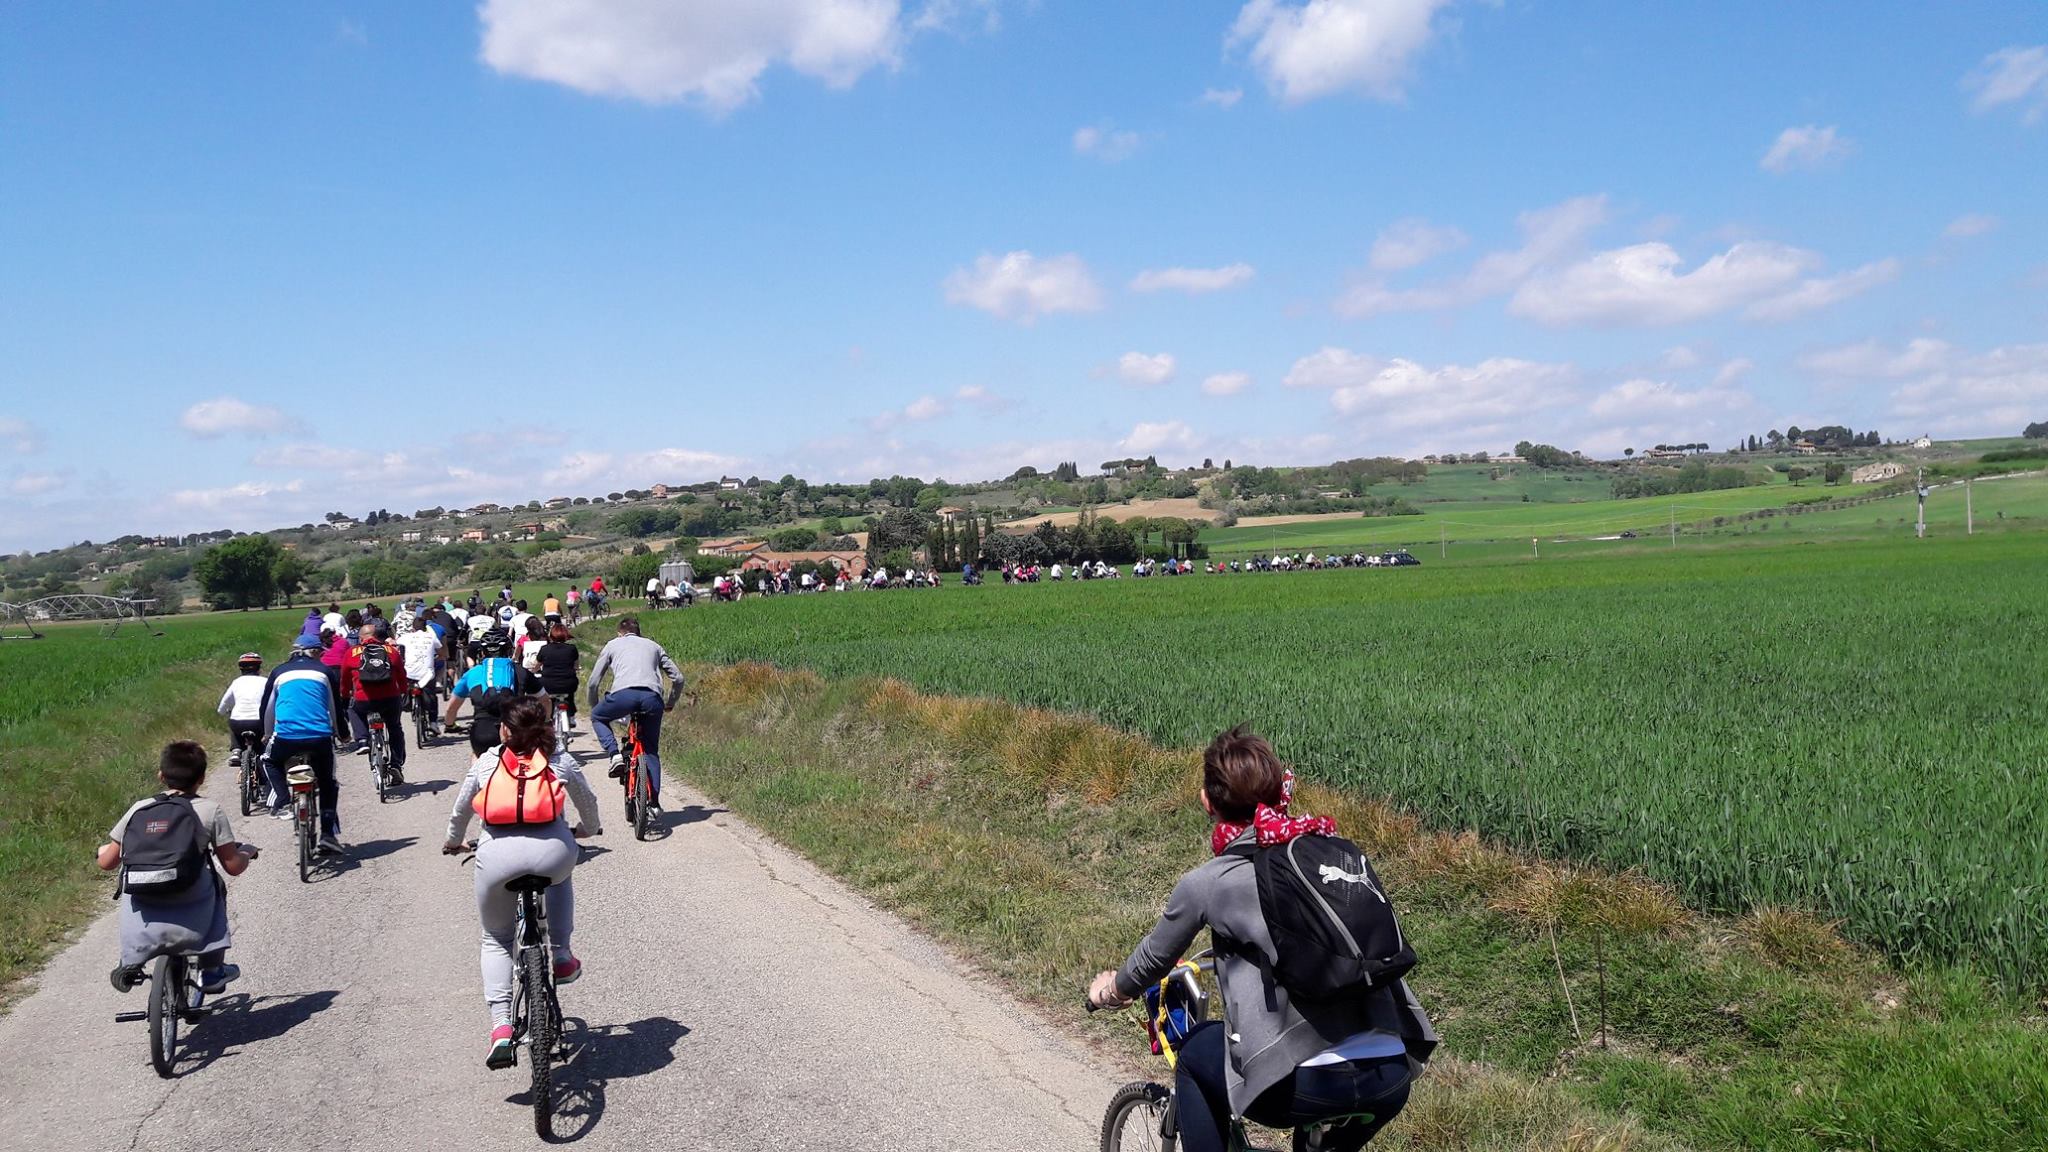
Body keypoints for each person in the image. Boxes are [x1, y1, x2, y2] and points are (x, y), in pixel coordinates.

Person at [1086, 727, 1413, 1152]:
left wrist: (1109, 991)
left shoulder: (1210, 882)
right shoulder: (1327, 851)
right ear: (1280, 790)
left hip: (1301, 1084)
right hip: (1390, 1072)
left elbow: (1153, 959)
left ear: (1207, 800)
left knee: (1193, 1057)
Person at [441, 696, 603, 1068]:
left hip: (497, 857)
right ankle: (560, 953)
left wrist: (453, 841)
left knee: (496, 937)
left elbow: (462, 809)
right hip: (553, 852)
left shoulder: (488, 761)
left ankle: (500, 1028)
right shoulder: (559, 759)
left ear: (504, 730)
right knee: (560, 878)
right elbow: (588, 803)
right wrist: (587, 830)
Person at [100, 741, 257, 996]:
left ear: (161, 775)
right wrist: (247, 852)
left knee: (129, 884)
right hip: (192, 898)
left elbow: (106, 862)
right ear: (202, 778)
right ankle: (212, 969)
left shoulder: (139, 808)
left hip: (145, 897)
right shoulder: (209, 810)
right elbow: (233, 867)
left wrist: (101, 852)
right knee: (218, 885)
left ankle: (131, 959)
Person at [586, 616, 684, 815]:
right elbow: (678, 677)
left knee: (597, 716)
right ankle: (654, 804)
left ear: (619, 632)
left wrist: (596, 706)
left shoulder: (612, 645)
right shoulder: (654, 646)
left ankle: (614, 755)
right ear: (639, 632)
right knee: (650, 751)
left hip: (623, 696)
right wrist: (670, 703)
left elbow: (593, 682)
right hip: (652, 699)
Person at [260, 634, 344, 851]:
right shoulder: (324, 671)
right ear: (315, 652)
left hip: (286, 735)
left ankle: (283, 801)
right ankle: (327, 834)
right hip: (319, 736)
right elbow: (335, 707)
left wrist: (267, 733)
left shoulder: (278, 671)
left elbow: (267, 708)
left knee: (268, 760)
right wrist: (342, 733)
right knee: (327, 782)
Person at [446, 626, 542, 757]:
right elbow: (545, 700)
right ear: (508, 650)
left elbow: (452, 707)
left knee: (477, 759)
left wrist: (449, 724)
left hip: (483, 733)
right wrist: (544, 722)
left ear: (482, 652)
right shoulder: (520, 671)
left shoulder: (472, 673)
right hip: (514, 729)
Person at [343, 619, 411, 785]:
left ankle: (362, 740)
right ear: (378, 636)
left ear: (361, 638)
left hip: (364, 700)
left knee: (353, 709)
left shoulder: (351, 653)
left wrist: (345, 695)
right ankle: (396, 764)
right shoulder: (391, 651)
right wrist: (403, 692)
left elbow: (344, 680)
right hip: (390, 699)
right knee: (395, 728)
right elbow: (402, 676)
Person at [398, 615, 445, 740]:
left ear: (413, 628)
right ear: (425, 627)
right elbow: (441, 653)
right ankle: (433, 723)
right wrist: (437, 658)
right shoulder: (431, 636)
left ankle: (409, 704)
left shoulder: (406, 637)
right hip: (427, 674)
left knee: (406, 688)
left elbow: (398, 645)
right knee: (432, 696)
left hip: (409, 673)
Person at [217, 653, 267, 766]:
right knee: (263, 743)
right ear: (259, 668)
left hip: (238, 723)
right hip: (260, 722)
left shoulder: (236, 682)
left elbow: (223, 706)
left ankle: (236, 750)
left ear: (240, 669)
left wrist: (224, 712)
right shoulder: (265, 682)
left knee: (232, 719)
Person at [534, 622, 581, 731]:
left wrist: (532, 671)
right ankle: (571, 716)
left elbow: (536, 666)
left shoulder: (544, 649)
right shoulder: (572, 648)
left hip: (548, 683)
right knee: (569, 694)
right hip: (569, 683)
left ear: (551, 635)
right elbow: (576, 666)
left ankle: (546, 718)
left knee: (545, 698)